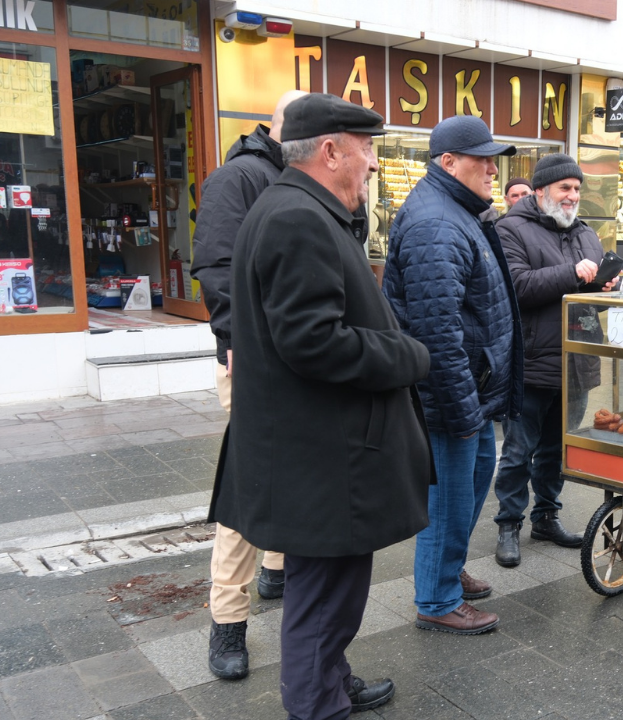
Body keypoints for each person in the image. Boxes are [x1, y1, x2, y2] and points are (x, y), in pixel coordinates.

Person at [209, 94, 434, 719]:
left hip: (323, 453)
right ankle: (318, 704)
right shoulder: (296, 216)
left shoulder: (300, 208)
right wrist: (407, 355)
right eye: (366, 148)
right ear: (331, 151)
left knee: (333, 595)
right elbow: (312, 341)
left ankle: (330, 681)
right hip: (325, 459)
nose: (373, 163)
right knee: (323, 599)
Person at [384, 115, 523, 635]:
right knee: (448, 499)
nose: (493, 169)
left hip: (471, 389)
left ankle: (449, 568)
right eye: (482, 160)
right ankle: (437, 599)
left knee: (471, 483)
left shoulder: (457, 211)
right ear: (448, 162)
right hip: (450, 396)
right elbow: (436, 333)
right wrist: (461, 409)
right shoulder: (436, 224)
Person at [189, 88, 303, 681]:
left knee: (292, 473)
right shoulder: (237, 178)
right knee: (250, 484)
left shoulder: (303, 178)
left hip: (302, 359)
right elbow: (216, 267)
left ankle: (276, 571)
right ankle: (227, 619)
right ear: (280, 127)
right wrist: (241, 343)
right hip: (253, 361)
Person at [491, 154, 616, 567]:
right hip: (531, 364)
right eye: (565, 188)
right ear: (541, 190)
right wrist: (573, 273)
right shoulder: (510, 229)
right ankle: (508, 524)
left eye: (577, 188)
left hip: (577, 363)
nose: (573, 196)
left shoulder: (586, 233)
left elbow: (588, 300)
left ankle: (546, 517)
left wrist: (606, 288)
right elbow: (517, 286)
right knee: (517, 452)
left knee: (556, 450)